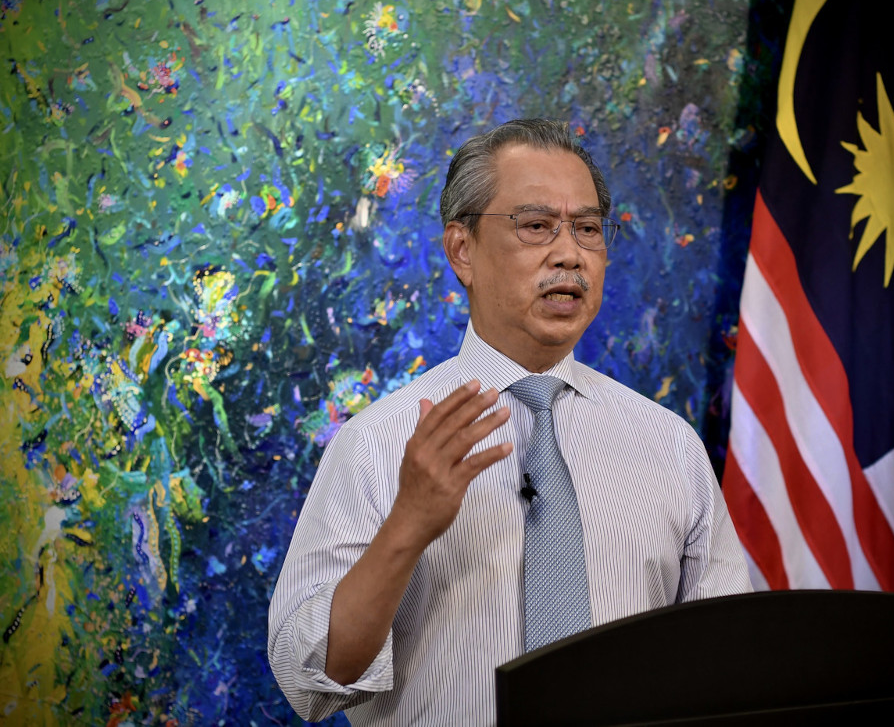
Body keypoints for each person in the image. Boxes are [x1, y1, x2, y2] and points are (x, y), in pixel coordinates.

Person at [268, 119, 752, 725]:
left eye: (587, 229)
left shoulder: (668, 445)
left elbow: (732, 662)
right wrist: (409, 524)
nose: (570, 254)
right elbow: (311, 682)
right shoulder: (379, 442)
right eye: (536, 226)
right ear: (462, 250)